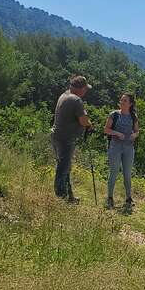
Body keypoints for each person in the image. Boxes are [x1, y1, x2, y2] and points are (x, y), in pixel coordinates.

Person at [51, 75, 93, 203]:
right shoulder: (76, 100)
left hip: (57, 135)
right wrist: (89, 124)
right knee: (63, 168)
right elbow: (83, 120)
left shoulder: (64, 95)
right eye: (85, 89)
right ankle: (61, 198)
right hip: (66, 138)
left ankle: (69, 197)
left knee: (65, 167)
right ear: (80, 89)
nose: (86, 92)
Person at [104, 93, 139, 210]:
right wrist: (117, 133)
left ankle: (129, 198)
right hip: (115, 146)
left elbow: (137, 131)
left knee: (127, 174)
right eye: (121, 100)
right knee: (113, 172)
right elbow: (106, 129)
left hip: (129, 148)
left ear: (130, 104)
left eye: (125, 101)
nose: (122, 102)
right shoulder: (114, 115)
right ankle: (109, 198)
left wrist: (134, 135)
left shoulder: (134, 116)